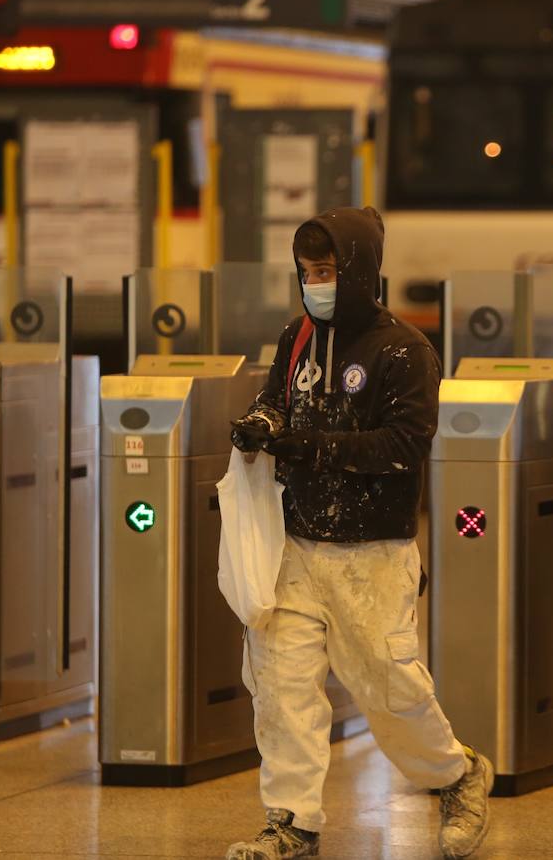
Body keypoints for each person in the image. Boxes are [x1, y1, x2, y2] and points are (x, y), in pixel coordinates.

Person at [226, 207, 492, 860]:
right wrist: (260, 424)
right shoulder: (296, 337)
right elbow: (277, 401)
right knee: (282, 689)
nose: (314, 284)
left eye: (327, 271)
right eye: (306, 272)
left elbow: (405, 445)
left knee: (389, 690)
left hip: (374, 551)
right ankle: (292, 822)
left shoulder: (405, 351)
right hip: (295, 543)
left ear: (360, 272)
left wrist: (308, 445)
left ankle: (457, 774)